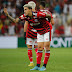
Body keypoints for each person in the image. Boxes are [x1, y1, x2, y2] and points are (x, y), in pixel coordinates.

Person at [4, 4, 52, 71]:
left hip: (47, 30)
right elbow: (15, 21)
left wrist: (48, 22)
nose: (24, 11)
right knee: (40, 47)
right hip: (39, 32)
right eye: (24, 10)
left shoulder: (38, 14)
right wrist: (7, 15)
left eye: (26, 9)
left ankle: (44, 66)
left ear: (30, 9)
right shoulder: (25, 17)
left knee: (46, 46)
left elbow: (49, 16)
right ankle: (37, 66)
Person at [24, 1, 38, 66]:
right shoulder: (38, 13)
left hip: (29, 33)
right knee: (37, 48)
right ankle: (38, 62)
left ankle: (31, 62)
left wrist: (24, 33)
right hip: (37, 33)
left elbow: (26, 24)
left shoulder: (27, 14)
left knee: (29, 47)